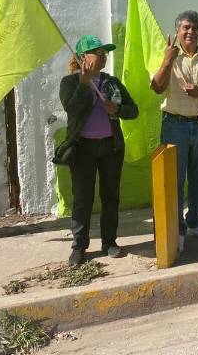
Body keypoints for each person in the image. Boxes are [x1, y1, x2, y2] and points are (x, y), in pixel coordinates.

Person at [59, 35, 138, 265]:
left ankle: (109, 242)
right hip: (82, 148)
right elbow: (72, 110)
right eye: (98, 52)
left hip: (111, 148)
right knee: (82, 198)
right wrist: (84, 84)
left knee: (111, 197)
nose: (103, 56)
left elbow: (133, 111)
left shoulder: (111, 82)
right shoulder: (70, 83)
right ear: (83, 57)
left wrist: (118, 108)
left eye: (105, 53)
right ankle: (79, 246)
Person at [152, 11, 198, 252]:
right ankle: (178, 230)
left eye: (195, 28)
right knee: (175, 180)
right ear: (178, 31)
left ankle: (195, 222)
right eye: (185, 27)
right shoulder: (168, 56)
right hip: (174, 125)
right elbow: (156, 88)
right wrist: (166, 60)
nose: (190, 32)